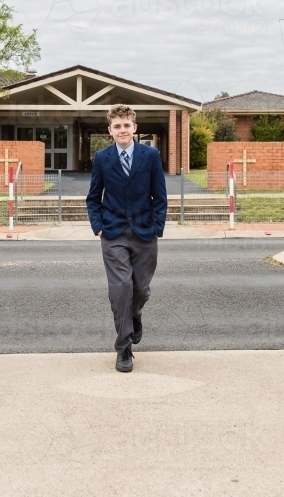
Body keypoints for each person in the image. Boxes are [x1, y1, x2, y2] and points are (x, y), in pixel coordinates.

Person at [86, 104, 167, 372]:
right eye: (117, 126)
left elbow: (160, 196)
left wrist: (157, 227)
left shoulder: (151, 155)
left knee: (140, 290)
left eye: (126, 125)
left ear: (135, 128)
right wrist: (98, 226)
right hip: (113, 233)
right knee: (121, 288)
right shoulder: (102, 158)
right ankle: (123, 348)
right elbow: (93, 197)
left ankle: (135, 316)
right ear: (110, 130)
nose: (122, 130)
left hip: (145, 233)